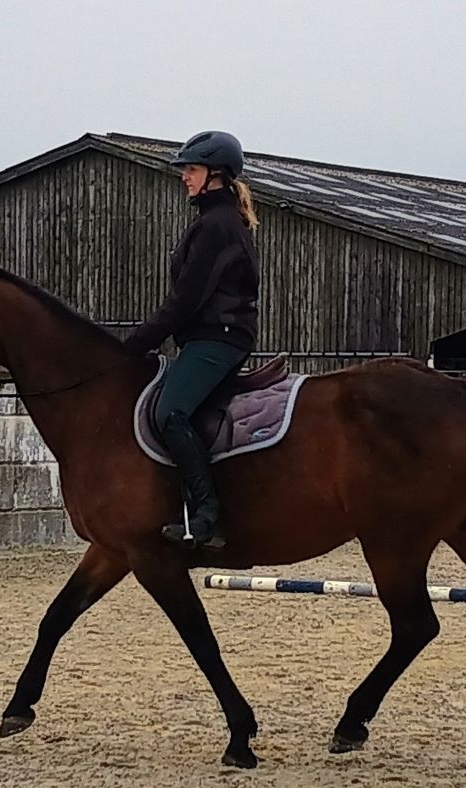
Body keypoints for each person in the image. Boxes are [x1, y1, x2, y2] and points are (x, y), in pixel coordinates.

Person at [122, 130, 261, 550]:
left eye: (192, 169)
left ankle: (207, 516)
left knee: (171, 412)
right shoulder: (212, 221)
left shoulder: (217, 227)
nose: (184, 176)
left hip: (217, 338)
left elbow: (184, 301)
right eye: (185, 169)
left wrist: (131, 346)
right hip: (208, 337)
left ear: (215, 175)